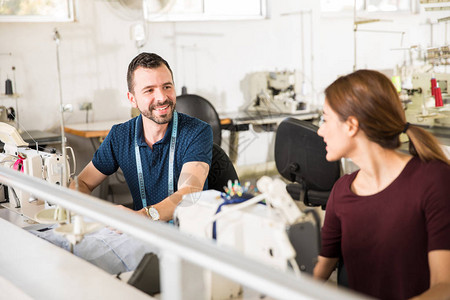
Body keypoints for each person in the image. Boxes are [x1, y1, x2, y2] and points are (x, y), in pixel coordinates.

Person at [313, 69, 450, 299]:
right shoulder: (342, 191)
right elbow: (319, 270)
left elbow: (444, 286)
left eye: (325, 119)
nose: (320, 130)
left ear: (351, 125)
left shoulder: (434, 180)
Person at [70, 52, 213, 221]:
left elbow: (189, 193)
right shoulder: (120, 136)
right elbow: (83, 183)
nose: (161, 97)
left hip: (187, 233)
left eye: (167, 87)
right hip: (143, 233)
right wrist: (91, 215)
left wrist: (142, 216)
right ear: (132, 99)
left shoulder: (197, 131)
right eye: (149, 90)